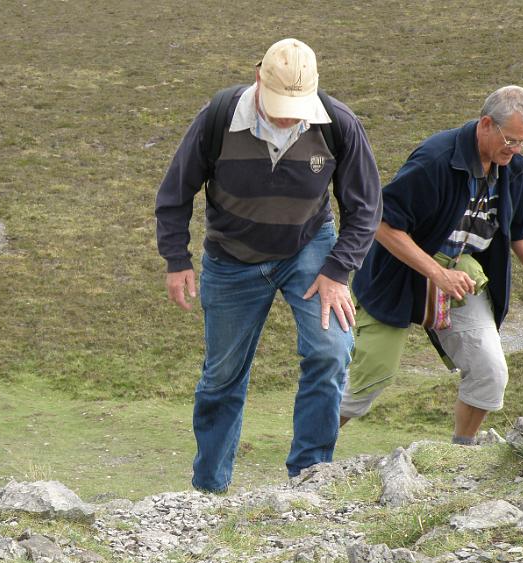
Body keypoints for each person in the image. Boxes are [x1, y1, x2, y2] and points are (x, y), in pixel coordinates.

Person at [155, 38, 381, 492]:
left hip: (309, 249)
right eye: (279, 104)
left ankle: (310, 478)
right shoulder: (219, 116)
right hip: (231, 258)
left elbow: (366, 208)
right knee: (221, 376)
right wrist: (176, 258)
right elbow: (175, 192)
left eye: (296, 106)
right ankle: (209, 489)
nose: (287, 115)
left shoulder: (339, 124)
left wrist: (338, 272)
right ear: (259, 79)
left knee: (330, 352)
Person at [339, 85, 523, 445]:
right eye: (510, 140)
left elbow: (522, 235)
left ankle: (460, 457)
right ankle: (312, 457)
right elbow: (382, 223)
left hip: (459, 274)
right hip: (399, 276)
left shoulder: (511, 169)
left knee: (490, 372)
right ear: (485, 124)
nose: (515, 150)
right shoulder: (436, 160)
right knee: (368, 380)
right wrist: (436, 273)